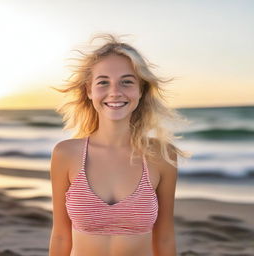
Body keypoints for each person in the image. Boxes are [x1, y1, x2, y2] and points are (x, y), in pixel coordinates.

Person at [49, 33, 190, 256]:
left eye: (127, 81)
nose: (115, 92)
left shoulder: (162, 155)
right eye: (103, 82)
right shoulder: (66, 153)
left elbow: (164, 238)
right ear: (89, 90)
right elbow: (60, 235)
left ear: (141, 90)